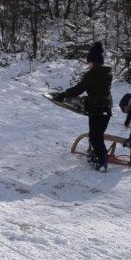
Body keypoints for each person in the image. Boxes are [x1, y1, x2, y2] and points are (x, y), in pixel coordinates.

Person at [50, 43, 114, 171]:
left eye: (89, 62)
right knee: (97, 135)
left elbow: (79, 89)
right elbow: (97, 91)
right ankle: (97, 156)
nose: (88, 64)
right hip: (106, 109)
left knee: (95, 138)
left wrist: (63, 95)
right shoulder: (106, 74)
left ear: (93, 62)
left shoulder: (93, 74)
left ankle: (102, 162)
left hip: (97, 109)